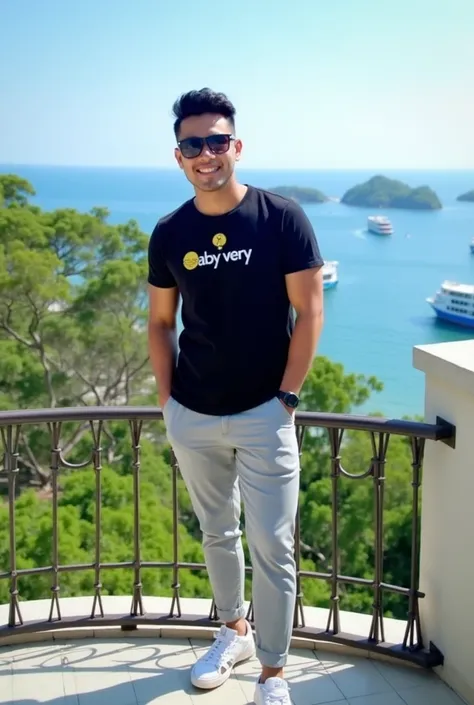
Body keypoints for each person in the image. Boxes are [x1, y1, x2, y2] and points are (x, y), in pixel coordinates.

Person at [147, 87, 324, 705]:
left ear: (235, 146)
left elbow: (310, 312)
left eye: (217, 141)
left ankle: (273, 675)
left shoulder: (281, 219)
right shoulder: (170, 232)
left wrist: (287, 399)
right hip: (192, 413)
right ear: (179, 155)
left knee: (272, 545)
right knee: (217, 533)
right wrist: (169, 404)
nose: (206, 153)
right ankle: (232, 631)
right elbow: (160, 323)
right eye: (193, 144)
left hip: (263, 413)